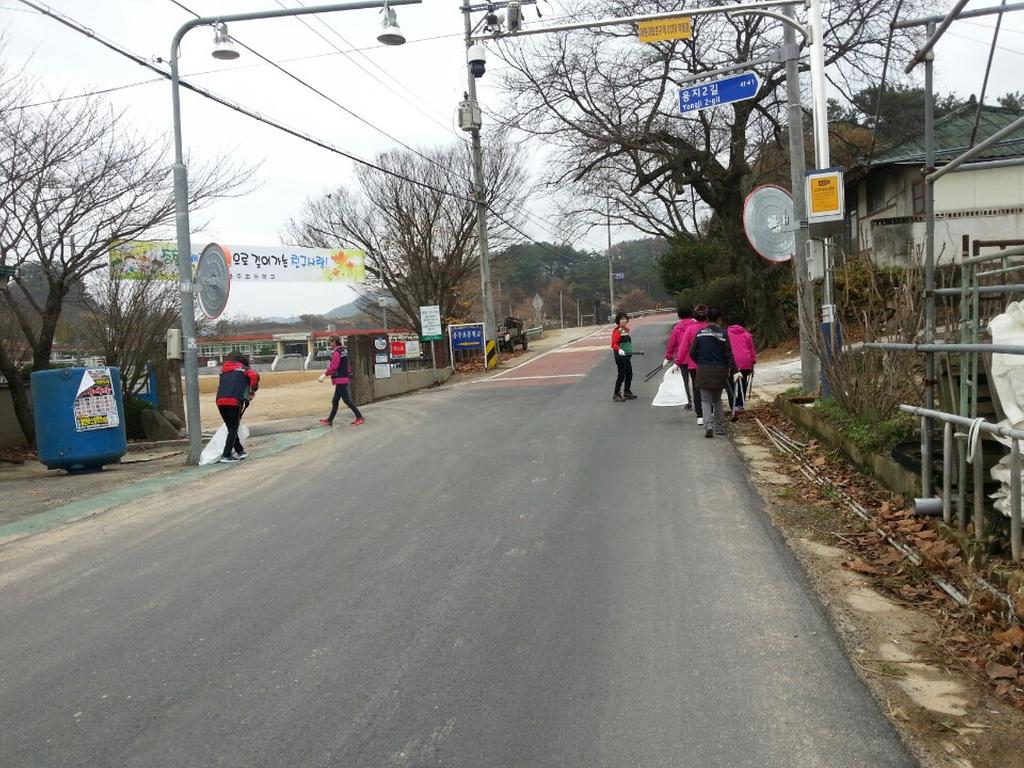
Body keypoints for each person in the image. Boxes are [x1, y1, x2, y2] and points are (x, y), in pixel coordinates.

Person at [677, 307, 734, 439]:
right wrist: (731, 368)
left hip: (703, 369)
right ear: (719, 319)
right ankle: (719, 427)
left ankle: (708, 426)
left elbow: (692, 352)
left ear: (707, 319)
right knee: (717, 400)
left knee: (705, 401)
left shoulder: (700, 333)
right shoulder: (724, 333)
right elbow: (729, 354)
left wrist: (700, 361)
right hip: (720, 370)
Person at [214, 350, 260, 463]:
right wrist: (252, 390)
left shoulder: (224, 370)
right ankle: (226, 455)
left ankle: (240, 451)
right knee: (233, 428)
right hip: (234, 401)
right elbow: (255, 376)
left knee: (231, 428)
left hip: (220, 401)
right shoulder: (243, 369)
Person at [318, 335, 365, 426]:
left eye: (330, 342)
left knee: (346, 400)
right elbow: (346, 364)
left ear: (334, 342)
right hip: (343, 378)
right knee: (335, 401)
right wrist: (348, 372)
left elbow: (334, 366)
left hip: (340, 379)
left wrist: (325, 375)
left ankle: (359, 417)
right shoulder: (343, 350)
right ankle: (329, 420)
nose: (329, 344)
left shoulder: (336, 352)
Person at [674, 304, 709, 423]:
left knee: (695, 387)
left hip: (691, 363)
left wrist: (675, 361)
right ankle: (711, 412)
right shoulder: (711, 328)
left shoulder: (687, 329)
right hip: (709, 364)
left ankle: (699, 414)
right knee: (710, 388)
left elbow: (683, 348)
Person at [663, 307, 696, 409]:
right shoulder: (695, 326)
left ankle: (688, 401)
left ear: (679, 315)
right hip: (695, 358)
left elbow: (671, 344)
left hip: (682, 359)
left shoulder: (677, 328)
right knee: (696, 381)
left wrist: (668, 357)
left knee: (684, 380)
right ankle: (698, 401)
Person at [726, 318, 756, 421]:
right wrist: (753, 362)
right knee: (743, 382)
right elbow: (752, 350)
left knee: (731, 383)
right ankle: (740, 404)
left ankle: (733, 404)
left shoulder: (727, 333)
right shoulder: (747, 335)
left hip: (733, 363)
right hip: (745, 362)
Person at [610, 311, 637, 402]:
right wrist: (619, 350)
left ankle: (627, 392)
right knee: (621, 375)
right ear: (618, 320)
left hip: (627, 356)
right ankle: (616, 393)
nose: (624, 320)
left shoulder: (625, 330)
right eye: (622, 319)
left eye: (625, 319)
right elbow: (613, 344)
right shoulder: (617, 331)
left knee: (629, 374)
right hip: (620, 356)